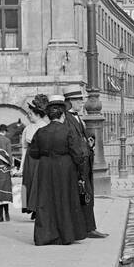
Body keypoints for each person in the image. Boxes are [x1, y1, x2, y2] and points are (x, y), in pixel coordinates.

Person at [25, 96, 89, 246]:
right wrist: (80, 170)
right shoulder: (68, 131)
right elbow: (78, 154)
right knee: (65, 199)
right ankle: (65, 235)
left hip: (46, 167)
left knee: (46, 200)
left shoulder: (41, 132)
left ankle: (45, 235)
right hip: (65, 168)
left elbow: (33, 153)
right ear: (62, 115)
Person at [63, 90, 105, 239]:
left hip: (85, 160)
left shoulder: (77, 118)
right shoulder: (67, 119)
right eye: (79, 101)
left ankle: (89, 227)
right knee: (84, 194)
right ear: (70, 101)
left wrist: (89, 142)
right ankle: (87, 228)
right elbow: (72, 141)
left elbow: (81, 137)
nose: (82, 103)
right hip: (78, 163)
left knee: (87, 194)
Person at [21, 95, 49, 219]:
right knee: (29, 182)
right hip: (29, 160)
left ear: (38, 114)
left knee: (39, 183)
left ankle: (39, 209)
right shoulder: (27, 128)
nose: (29, 116)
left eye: (31, 113)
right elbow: (24, 147)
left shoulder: (45, 127)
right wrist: (21, 166)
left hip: (40, 159)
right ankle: (31, 208)